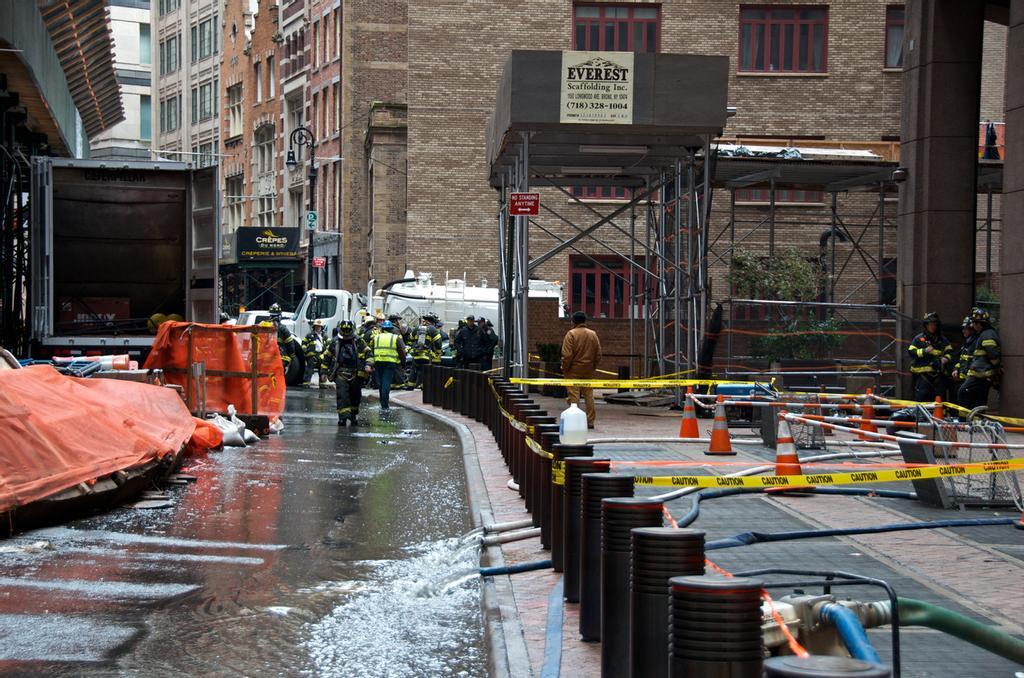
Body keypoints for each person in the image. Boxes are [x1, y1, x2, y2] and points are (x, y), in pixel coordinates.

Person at [323, 320, 370, 426]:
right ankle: (343, 418)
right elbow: (327, 357)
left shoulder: (359, 341)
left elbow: (368, 353)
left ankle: (353, 416)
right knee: (342, 396)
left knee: (355, 395)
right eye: (344, 330)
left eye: (348, 330)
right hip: (341, 373)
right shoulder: (335, 341)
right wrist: (323, 372)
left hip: (356, 373)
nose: (346, 333)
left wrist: (368, 365)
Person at [561, 310, 602, 429]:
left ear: (573, 321)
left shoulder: (571, 334)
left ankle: (574, 421)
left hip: (573, 370)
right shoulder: (593, 334)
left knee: (574, 396)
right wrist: (593, 366)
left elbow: (567, 355)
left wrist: (565, 368)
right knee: (589, 395)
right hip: (588, 369)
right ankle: (590, 421)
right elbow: (598, 354)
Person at [958, 307, 1001, 410]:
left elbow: (993, 354)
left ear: (980, 323)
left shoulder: (987, 334)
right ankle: (976, 422)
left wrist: (996, 367)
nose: (973, 325)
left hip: (981, 375)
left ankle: (963, 420)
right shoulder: (984, 334)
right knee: (979, 400)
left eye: (974, 323)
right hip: (981, 375)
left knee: (963, 392)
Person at [907, 312, 952, 403]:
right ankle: (920, 417)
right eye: (930, 324)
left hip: (938, 375)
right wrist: (924, 351)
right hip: (923, 376)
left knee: (939, 398)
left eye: (934, 324)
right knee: (922, 398)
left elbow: (950, 352)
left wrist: (946, 359)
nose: (932, 326)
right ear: (926, 325)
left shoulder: (942, 339)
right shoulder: (919, 339)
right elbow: (911, 352)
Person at [371, 319, 405, 411]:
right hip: (390, 362)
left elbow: (371, 349)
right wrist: (403, 363)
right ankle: (385, 405)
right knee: (386, 382)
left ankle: (382, 402)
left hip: (378, 361)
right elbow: (402, 351)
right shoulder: (395, 337)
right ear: (391, 329)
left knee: (381, 382)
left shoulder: (376, 337)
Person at [950, 316, 976, 404]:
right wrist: (956, 369)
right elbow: (960, 359)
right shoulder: (966, 343)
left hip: (971, 380)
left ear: (972, 329)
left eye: (966, 328)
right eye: (963, 328)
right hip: (962, 379)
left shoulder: (976, 343)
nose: (963, 331)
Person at [269, 303, 301, 377]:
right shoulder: (283, 329)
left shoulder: (264, 327)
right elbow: (290, 344)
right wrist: (292, 356)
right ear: (280, 316)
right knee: (279, 375)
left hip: (267, 357)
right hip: (280, 358)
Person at [301, 319, 329, 387]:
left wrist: (324, 354)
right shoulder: (310, 335)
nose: (318, 328)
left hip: (321, 355)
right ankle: (306, 383)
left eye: (319, 326)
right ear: (314, 327)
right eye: (317, 326)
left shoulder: (324, 336)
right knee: (309, 370)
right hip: (312, 355)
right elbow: (303, 343)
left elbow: (329, 345)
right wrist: (306, 351)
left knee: (322, 370)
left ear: (321, 327)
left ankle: (322, 384)